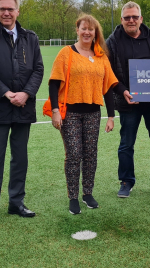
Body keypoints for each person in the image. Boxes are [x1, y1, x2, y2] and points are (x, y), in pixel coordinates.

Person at [0, 0, 44, 228]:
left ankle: (16, 202)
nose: (6, 13)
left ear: (18, 11)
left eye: (10, 9)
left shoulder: (30, 37)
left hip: (24, 107)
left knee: (20, 158)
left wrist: (25, 93)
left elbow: (38, 69)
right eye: (2, 9)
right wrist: (7, 93)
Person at [49, 14, 118, 214]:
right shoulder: (66, 53)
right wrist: (55, 111)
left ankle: (87, 193)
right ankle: (73, 197)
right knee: (73, 154)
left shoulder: (100, 56)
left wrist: (111, 116)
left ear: (96, 33)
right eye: (83, 28)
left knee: (90, 155)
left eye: (91, 29)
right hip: (69, 113)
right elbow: (54, 83)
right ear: (77, 30)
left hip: (93, 114)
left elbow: (108, 87)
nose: (87, 32)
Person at [107, 1, 150, 198]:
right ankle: (126, 181)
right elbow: (109, 73)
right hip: (128, 102)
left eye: (134, 17)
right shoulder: (112, 41)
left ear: (140, 19)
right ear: (121, 20)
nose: (131, 20)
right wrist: (123, 92)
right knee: (126, 144)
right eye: (127, 17)